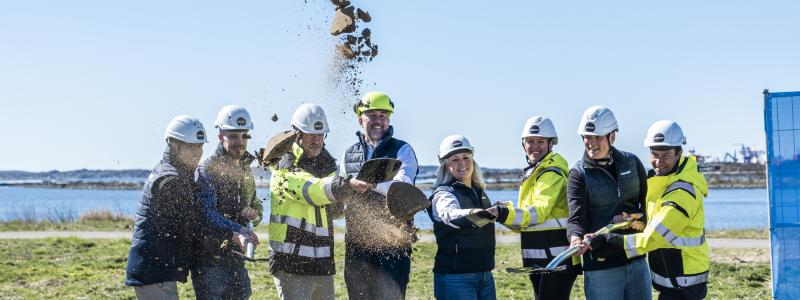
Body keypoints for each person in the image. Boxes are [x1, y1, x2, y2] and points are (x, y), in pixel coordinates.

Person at [585, 120, 709, 300]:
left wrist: (610, 239)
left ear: (679, 153)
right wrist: (630, 219)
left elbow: (653, 237)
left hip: (684, 283)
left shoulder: (681, 192)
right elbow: (653, 217)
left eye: (665, 155)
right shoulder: (665, 183)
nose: (658, 162)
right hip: (674, 279)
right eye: (654, 154)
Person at [267, 103, 371, 300]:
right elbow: (312, 190)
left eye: (321, 134)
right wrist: (347, 185)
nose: (317, 140)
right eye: (311, 135)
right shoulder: (285, 165)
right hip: (291, 263)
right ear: (297, 134)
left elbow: (332, 211)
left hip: (321, 262)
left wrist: (349, 196)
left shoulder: (327, 165)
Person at [339, 91, 419, 299]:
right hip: (356, 247)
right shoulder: (348, 154)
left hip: (392, 245)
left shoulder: (402, 150)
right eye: (372, 115)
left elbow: (402, 187)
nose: (378, 121)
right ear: (360, 119)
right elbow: (340, 190)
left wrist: (370, 184)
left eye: (383, 116)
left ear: (389, 119)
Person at [566, 105, 651, 300]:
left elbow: (648, 212)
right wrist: (575, 238)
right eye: (587, 136)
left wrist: (630, 219)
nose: (591, 143)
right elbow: (576, 219)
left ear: (612, 136)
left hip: (637, 260)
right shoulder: (578, 174)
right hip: (601, 267)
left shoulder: (633, 163)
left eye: (598, 137)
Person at [125, 115, 208, 299]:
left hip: (154, 267)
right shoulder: (170, 181)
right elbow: (189, 226)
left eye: (200, 146)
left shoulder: (172, 171)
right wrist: (227, 236)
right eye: (192, 147)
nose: (198, 152)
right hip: (153, 270)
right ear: (174, 145)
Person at [499, 116, 578, 300]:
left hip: (557, 260)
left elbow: (537, 213)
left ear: (551, 144)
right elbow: (526, 220)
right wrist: (503, 213)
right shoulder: (535, 173)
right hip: (541, 259)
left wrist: (504, 214)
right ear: (523, 144)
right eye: (530, 141)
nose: (534, 146)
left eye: (540, 142)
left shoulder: (551, 174)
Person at [193, 105, 263, 300]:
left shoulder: (246, 170)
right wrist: (237, 232)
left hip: (235, 259)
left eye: (244, 136)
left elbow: (257, 205)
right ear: (220, 136)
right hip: (209, 261)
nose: (239, 142)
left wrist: (254, 214)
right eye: (233, 136)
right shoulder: (207, 169)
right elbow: (207, 215)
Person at [428, 135, 505, 300]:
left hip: (485, 275)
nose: (462, 164)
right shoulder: (443, 193)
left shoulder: (478, 192)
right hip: (455, 278)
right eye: (454, 159)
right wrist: (478, 213)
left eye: (466, 158)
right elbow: (450, 214)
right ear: (444, 165)